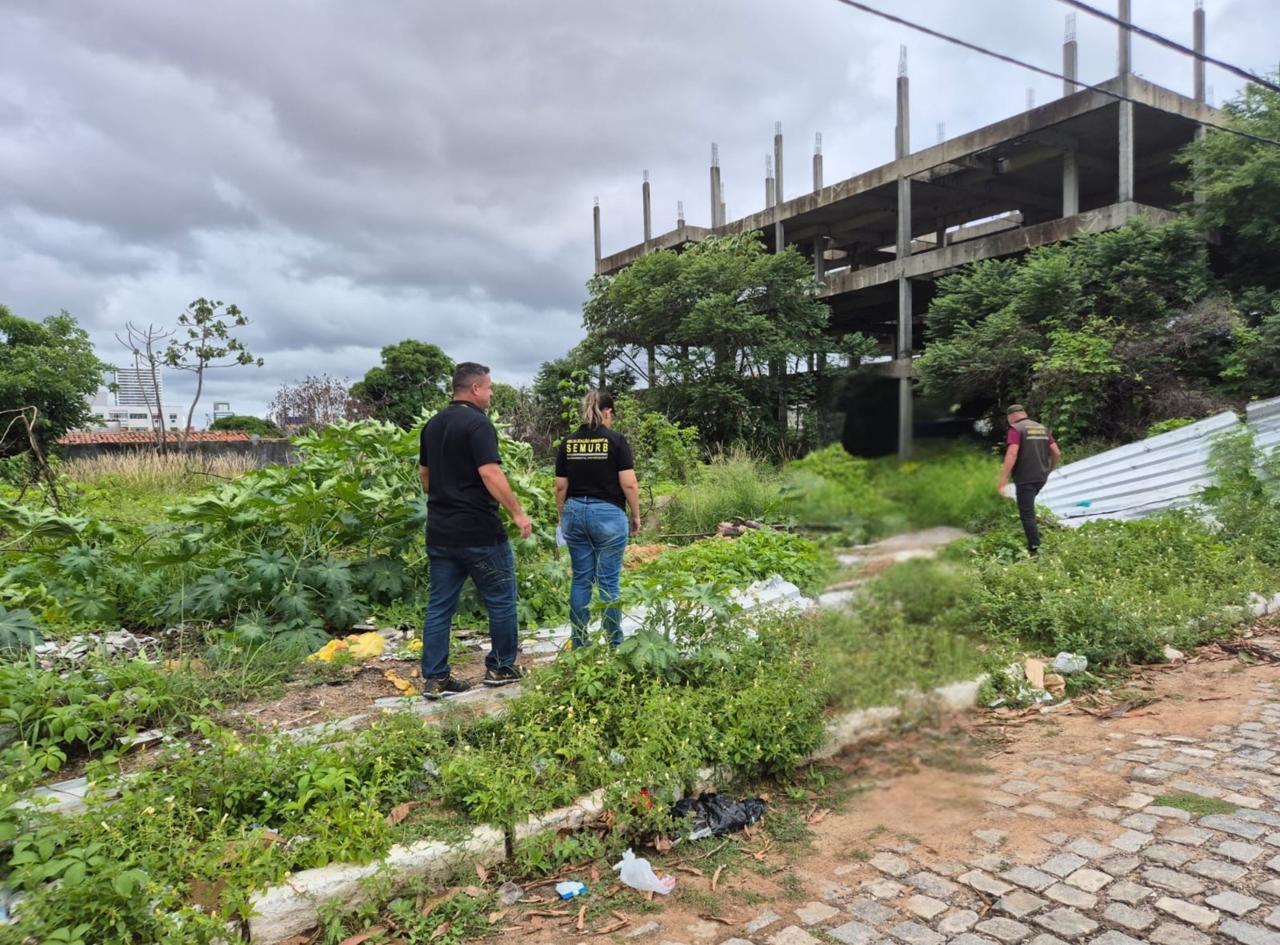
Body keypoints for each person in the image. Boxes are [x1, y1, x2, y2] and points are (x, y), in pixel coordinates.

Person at [418, 362, 533, 698]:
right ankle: (501, 666)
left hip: (440, 531)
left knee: (440, 604)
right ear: (475, 389)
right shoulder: (478, 424)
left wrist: (445, 496)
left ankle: (435, 677)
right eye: (490, 387)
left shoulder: (433, 425)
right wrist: (517, 513)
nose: (492, 393)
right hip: (479, 531)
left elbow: (425, 476)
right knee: (501, 598)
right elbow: (490, 473)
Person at [554, 390, 641, 648]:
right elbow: (629, 484)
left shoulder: (568, 442)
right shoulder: (615, 441)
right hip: (608, 515)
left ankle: (579, 643)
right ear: (608, 412)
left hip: (574, 513)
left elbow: (560, 486)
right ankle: (615, 644)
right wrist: (635, 515)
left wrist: (562, 517)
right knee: (608, 582)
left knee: (581, 578)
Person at [996, 403, 1061, 556]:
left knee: (1027, 514)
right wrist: (1048, 470)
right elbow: (1057, 453)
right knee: (1028, 509)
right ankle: (1035, 537)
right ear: (1024, 413)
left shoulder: (1015, 429)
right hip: (1040, 477)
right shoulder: (1041, 428)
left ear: (1010, 418)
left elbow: (1012, 454)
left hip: (1025, 478)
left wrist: (1002, 480)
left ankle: (1035, 550)